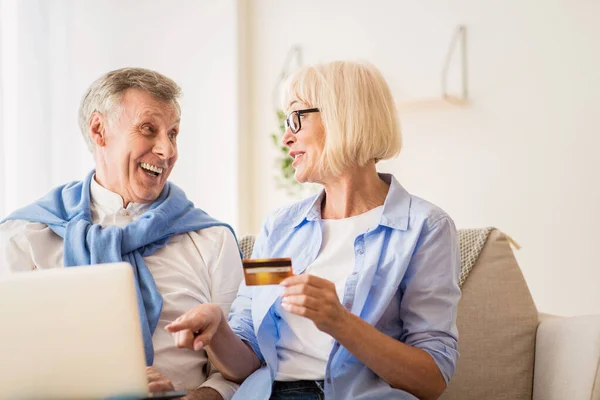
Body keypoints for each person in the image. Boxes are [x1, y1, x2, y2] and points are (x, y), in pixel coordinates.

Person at [165, 61, 461, 400]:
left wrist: (340, 322)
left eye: (296, 118)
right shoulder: (279, 228)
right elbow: (247, 362)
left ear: (342, 116)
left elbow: (432, 379)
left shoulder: (425, 229)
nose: (286, 137)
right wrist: (217, 329)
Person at [0, 68, 242, 400]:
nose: (167, 150)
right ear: (99, 130)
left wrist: (200, 398)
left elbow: (241, 369)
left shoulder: (210, 240)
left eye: (173, 133)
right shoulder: (24, 235)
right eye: (148, 129)